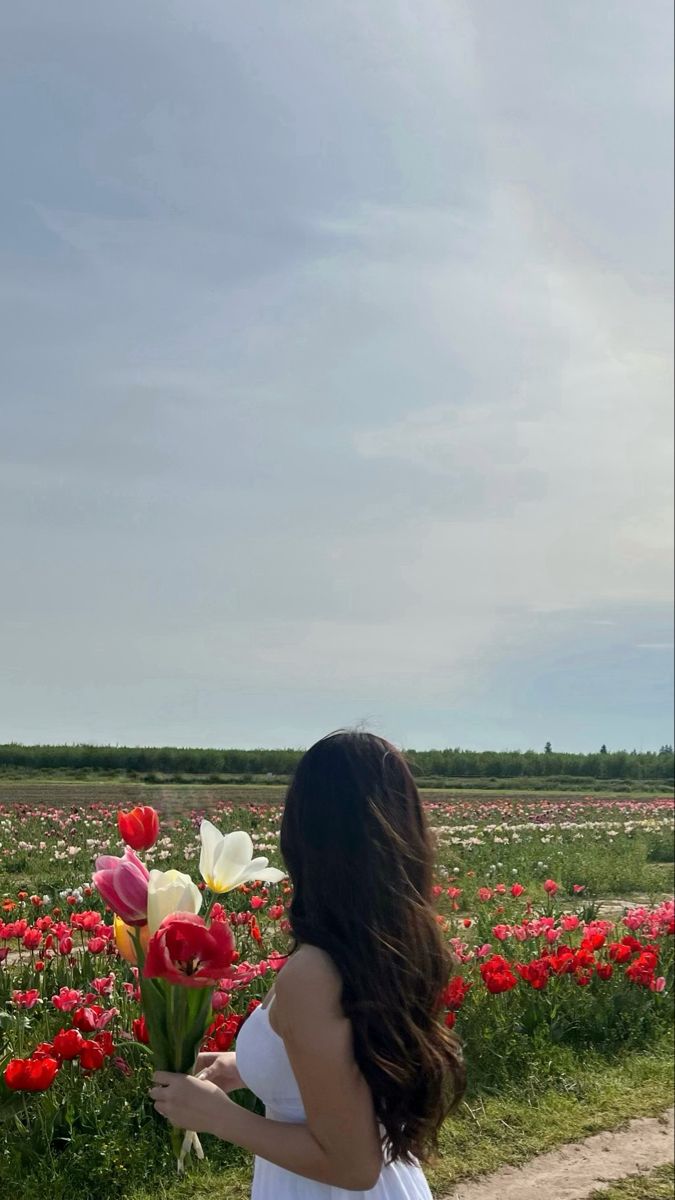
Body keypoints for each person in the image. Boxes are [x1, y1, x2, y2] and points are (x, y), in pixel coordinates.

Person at [150, 730, 466, 1197]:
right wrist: (246, 1067)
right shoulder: (384, 943)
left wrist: (218, 1116)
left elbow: (353, 1165)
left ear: (304, 833)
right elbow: (350, 1070)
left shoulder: (315, 972)